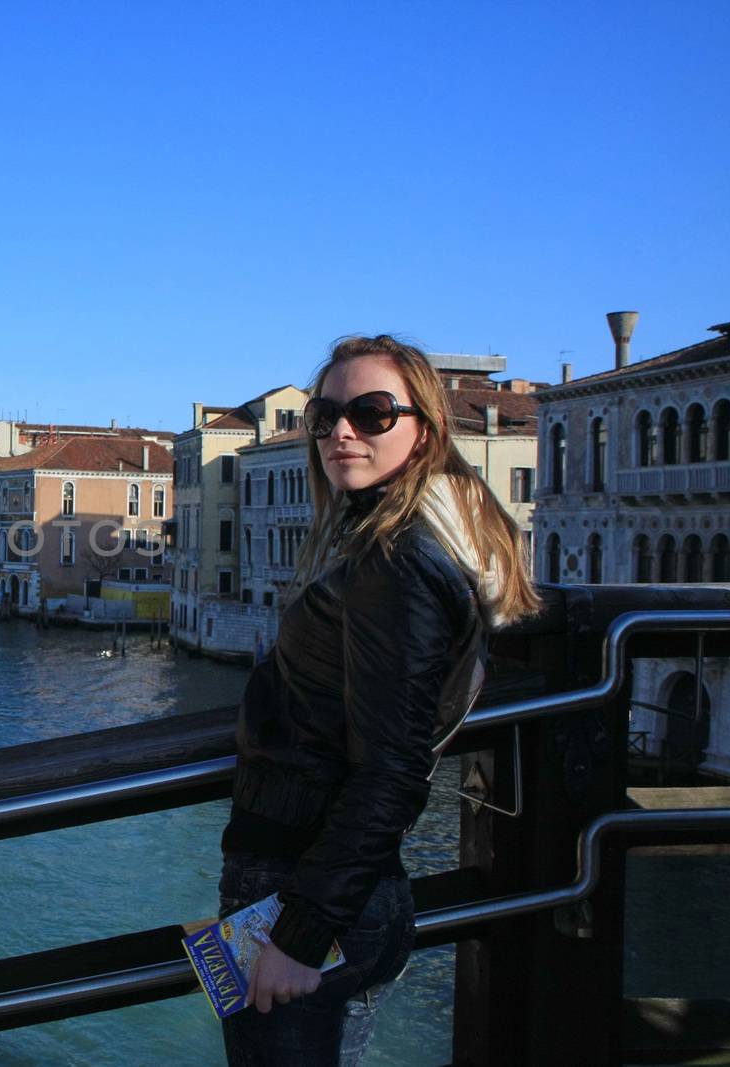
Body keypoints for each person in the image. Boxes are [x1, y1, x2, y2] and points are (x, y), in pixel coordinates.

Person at [220, 335, 539, 1065]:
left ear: (423, 428)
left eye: (371, 413)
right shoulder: (402, 539)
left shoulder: (393, 560)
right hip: (350, 892)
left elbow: (393, 768)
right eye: (326, 414)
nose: (341, 431)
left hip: (302, 891)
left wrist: (298, 935)